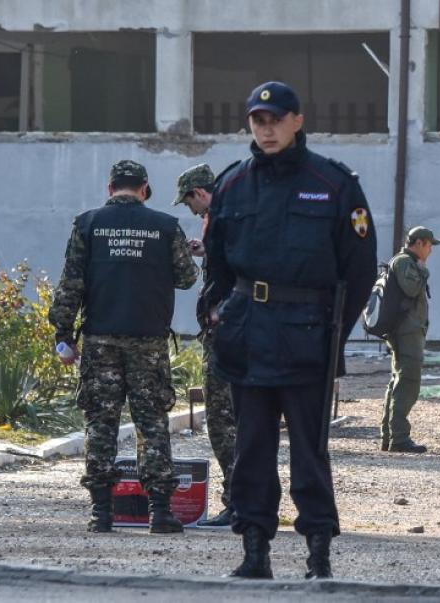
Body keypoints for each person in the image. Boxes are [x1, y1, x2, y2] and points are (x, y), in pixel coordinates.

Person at [202, 81, 377, 580]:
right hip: (248, 336)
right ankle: (254, 552)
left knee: (309, 453)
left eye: (276, 119)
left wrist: (334, 337)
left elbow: (360, 269)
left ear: (298, 121)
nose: (267, 129)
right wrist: (220, 315)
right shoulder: (233, 184)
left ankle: (318, 552)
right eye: (258, 120)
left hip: (307, 337)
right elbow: (216, 264)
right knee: (251, 450)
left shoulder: (334, 183)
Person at [48, 160, 198, 533]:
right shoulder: (165, 226)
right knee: (152, 422)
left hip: (101, 339)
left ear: (109, 187)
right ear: (144, 188)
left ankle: (101, 512)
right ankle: (160, 512)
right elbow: (185, 278)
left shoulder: (88, 224)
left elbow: (71, 284)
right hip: (148, 340)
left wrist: (63, 334)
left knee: (101, 422)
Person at [172, 163, 236, 528]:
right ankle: (245, 499)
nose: (189, 210)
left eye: (188, 202)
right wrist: (205, 252)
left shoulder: (223, 218)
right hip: (229, 330)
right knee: (232, 418)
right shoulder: (225, 218)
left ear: (199, 193)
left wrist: (220, 313)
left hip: (226, 333)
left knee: (223, 419)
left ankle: (239, 502)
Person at [380, 226, 440, 454]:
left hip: (406, 330)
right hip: (406, 332)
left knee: (398, 381)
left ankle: (390, 436)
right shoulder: (405, 261)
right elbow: (412, 288)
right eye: (430, 245)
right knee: (408, 382)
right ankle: (399, 437)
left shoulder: (404, 261)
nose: (431, 251)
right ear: (421, 243)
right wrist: (423, 271)